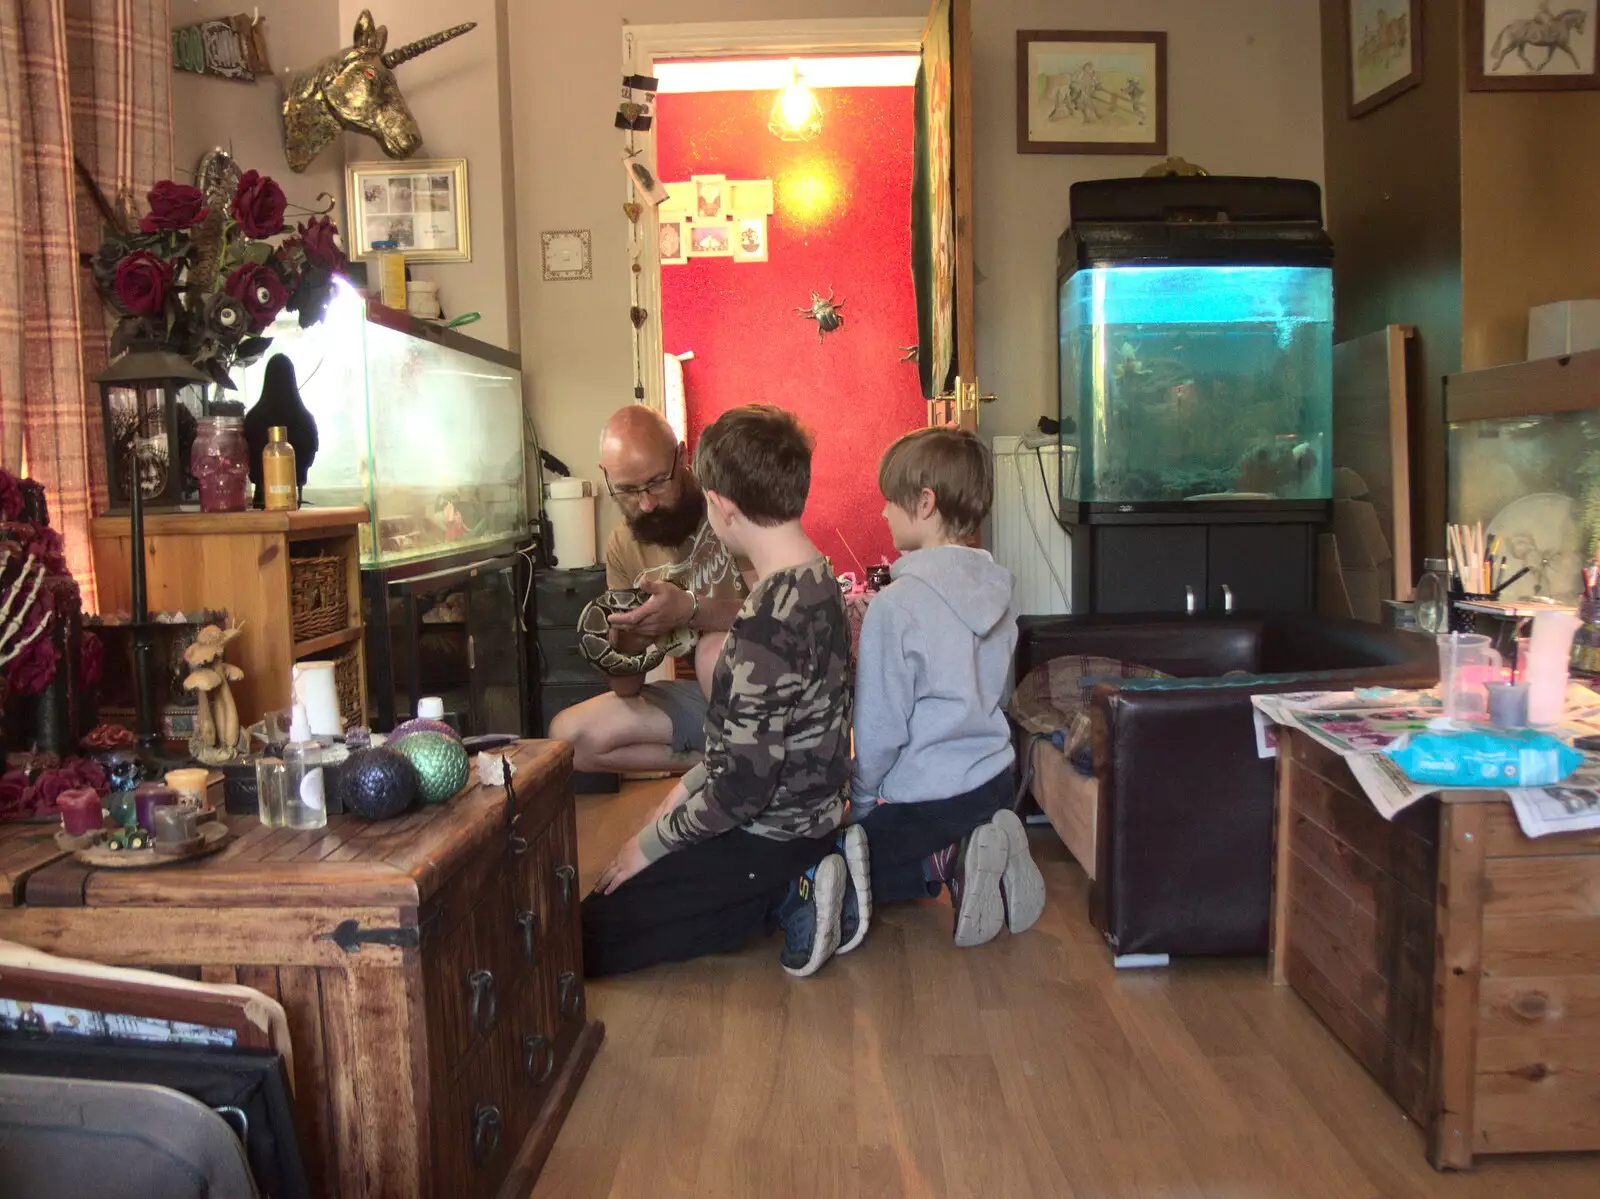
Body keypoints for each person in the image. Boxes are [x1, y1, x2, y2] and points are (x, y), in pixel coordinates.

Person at [581, 405, 853, 978]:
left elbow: (739, 795)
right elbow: (738, 749)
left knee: (587, 935)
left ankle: (791, 894)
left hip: (771, 837)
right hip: (812, 812)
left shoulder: (761, 627)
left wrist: (648, 845)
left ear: (724, 507)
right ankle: (810, 868)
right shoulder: (820, 580)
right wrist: (678, 794)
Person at [839, 427, 1045, 952]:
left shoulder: (896, 606)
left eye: (891, 500)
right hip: (997, 780)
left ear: (925, 503)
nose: (884, 513)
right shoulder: (999, 591)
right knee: (889, 843)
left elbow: (880, 728)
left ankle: (948, 859)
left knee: (843, 865)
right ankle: (983, 841)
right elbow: (998, 696)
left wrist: (861, 803)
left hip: (931, 799)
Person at [549, 405, 751, 775]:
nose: (646, 503)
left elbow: (780, 613)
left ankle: (747, 762)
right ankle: (727, 765)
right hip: (711, 709)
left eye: (658, 482)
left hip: (768, 699)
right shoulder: (621, 547)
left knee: (712, 649)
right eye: (626, 490)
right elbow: (627, 689)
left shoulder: (730, 505)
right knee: (568, 738)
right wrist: (633, 638)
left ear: (683, 456)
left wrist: (691, 610)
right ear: (606, 476)